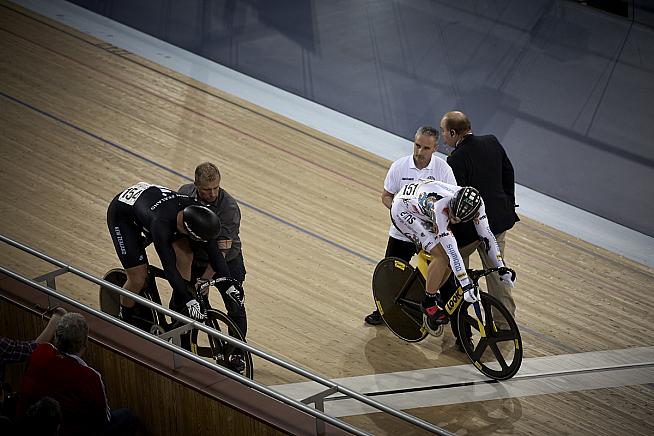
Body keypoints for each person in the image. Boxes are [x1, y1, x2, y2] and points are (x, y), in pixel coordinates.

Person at [389, 180, 516, 332]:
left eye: (458, 219)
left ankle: (433, 286)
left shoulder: (478, 204)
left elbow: (487, 236)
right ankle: (428, 302)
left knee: (449, 261)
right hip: (403, 210)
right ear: (453, 201)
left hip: (421, 203)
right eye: (452, 215)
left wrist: (501, 267)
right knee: (442, 257)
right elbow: (452, 250)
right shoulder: (439, 206)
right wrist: (466, 284)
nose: (454, 219)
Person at [365, 126, 457, 326]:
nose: (419, 152)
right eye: (417, 146)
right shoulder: (399, 166)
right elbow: (386, 196)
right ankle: (384, 312)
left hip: (430, 235)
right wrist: (398, 210)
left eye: (425, 148)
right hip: (402, 233)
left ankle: (461, 331)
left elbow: (451, 203)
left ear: (435, 148)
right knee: (390, 275)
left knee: (447, 279)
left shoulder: (443, 170)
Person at [106, 182, 230, 326]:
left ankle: (177, 308)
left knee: (185, 258)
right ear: (189, 231)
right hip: (123, 217)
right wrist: (189, 300)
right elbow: (169, 268)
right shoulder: (161, 226)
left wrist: (230, 286)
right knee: (138, 278)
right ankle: (124, 318)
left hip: (153, 203)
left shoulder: (197, 211)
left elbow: (215, 254)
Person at [441, 111, 519, 317]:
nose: (442, 136)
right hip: (498, 223)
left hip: (472, 231)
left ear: (453, 132)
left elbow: (458, 200)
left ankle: (460, 319)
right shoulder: (491, 141)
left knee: (457, 271)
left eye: (443, 132)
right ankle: (504, 324)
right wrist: (507, 204)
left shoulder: (456, 159)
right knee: (497, 275)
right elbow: (508, 174)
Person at [16, 313, 137, 436]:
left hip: (27, 425)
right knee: (127, 416)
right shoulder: (90, 377)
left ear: (56, 337)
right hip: (66, 429)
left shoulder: (40, 352)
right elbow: (103, 419)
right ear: (85, 344)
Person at [178, 163, 248, 372]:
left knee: (235, 306)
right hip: (198, 259)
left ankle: (236, 352)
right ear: (196, 185)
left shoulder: (229, 208)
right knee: (194, 303)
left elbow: (221, 253)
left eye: (216, 188)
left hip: (228, 261)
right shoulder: (184, 193)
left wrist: (207, 278)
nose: (213, 193)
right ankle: (188, 346)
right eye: (207, 189)